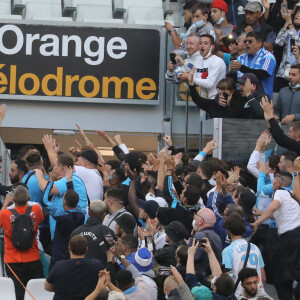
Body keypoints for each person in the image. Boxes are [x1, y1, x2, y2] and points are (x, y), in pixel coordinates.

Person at [251, 171, 300, 300]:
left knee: (284, 277)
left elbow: (273, 208)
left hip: (291, 237)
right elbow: (279, 215)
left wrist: (257, 222)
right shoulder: (290, 196)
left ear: (278, 183)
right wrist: (262, 213)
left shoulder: (279, 193)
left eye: (273, 182)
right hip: (295, 236)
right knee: (288, 272)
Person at [0, 185, 44, 300]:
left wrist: (5, 204)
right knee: (34, 292)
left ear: (13, 200)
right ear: (29, 197)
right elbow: (41, 220)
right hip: (33, 258)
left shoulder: (4, 214)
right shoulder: (36, 210)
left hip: (12, 259)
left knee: (17, 292)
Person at [45, 235, 103, 300]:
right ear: (86, 249)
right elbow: (103, 283)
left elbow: (47, 287)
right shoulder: (97, 265)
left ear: (69, 248)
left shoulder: (58, 266)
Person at [222, 213, 265, 295]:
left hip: (241, 294)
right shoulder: (255, 247)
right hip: (259, 292)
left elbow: (227, 281)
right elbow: (263, 277)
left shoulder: (228, 251)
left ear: (228, 230)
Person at [71, 200, 117, 267]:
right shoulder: (106, 232)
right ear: (104, 215)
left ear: (89, 212)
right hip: (102, 274)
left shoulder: (75, 232)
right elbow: (115, 251)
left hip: (79, 272)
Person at [231, 31, 276, 98]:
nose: (246, 43)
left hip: (261, 98)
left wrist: (241, 68)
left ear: (259, 44)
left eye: (250, 41)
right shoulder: (241, 58)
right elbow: (235, 78)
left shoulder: (268, 57)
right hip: (242, 97)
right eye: (245, 41)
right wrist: (232, 71)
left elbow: (262, 74)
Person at [189, 208, 223, 281]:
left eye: (196, 216)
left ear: (201, 221)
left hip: (200, 279)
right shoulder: (216, 236)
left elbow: (192, 257)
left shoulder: (199, 237)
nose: (194, 217)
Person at [193, 34, 226, 99]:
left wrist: (190, 78)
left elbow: (209, 83)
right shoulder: (198, 62)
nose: (202, 46)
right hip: (203, 102)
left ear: (212, 47)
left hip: (216, 101)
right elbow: (194, 83)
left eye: (205, 43)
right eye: (200, 43)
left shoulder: (217, 61)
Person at [274, 7, 300, 91]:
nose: (297, 15)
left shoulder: (291, 29)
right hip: (282, 71)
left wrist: (290, 23)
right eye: (297, 13)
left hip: (297, 73)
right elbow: (278, 42)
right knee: (277, 97)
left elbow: (298, 42)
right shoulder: (289, 31)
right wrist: (286, 23)